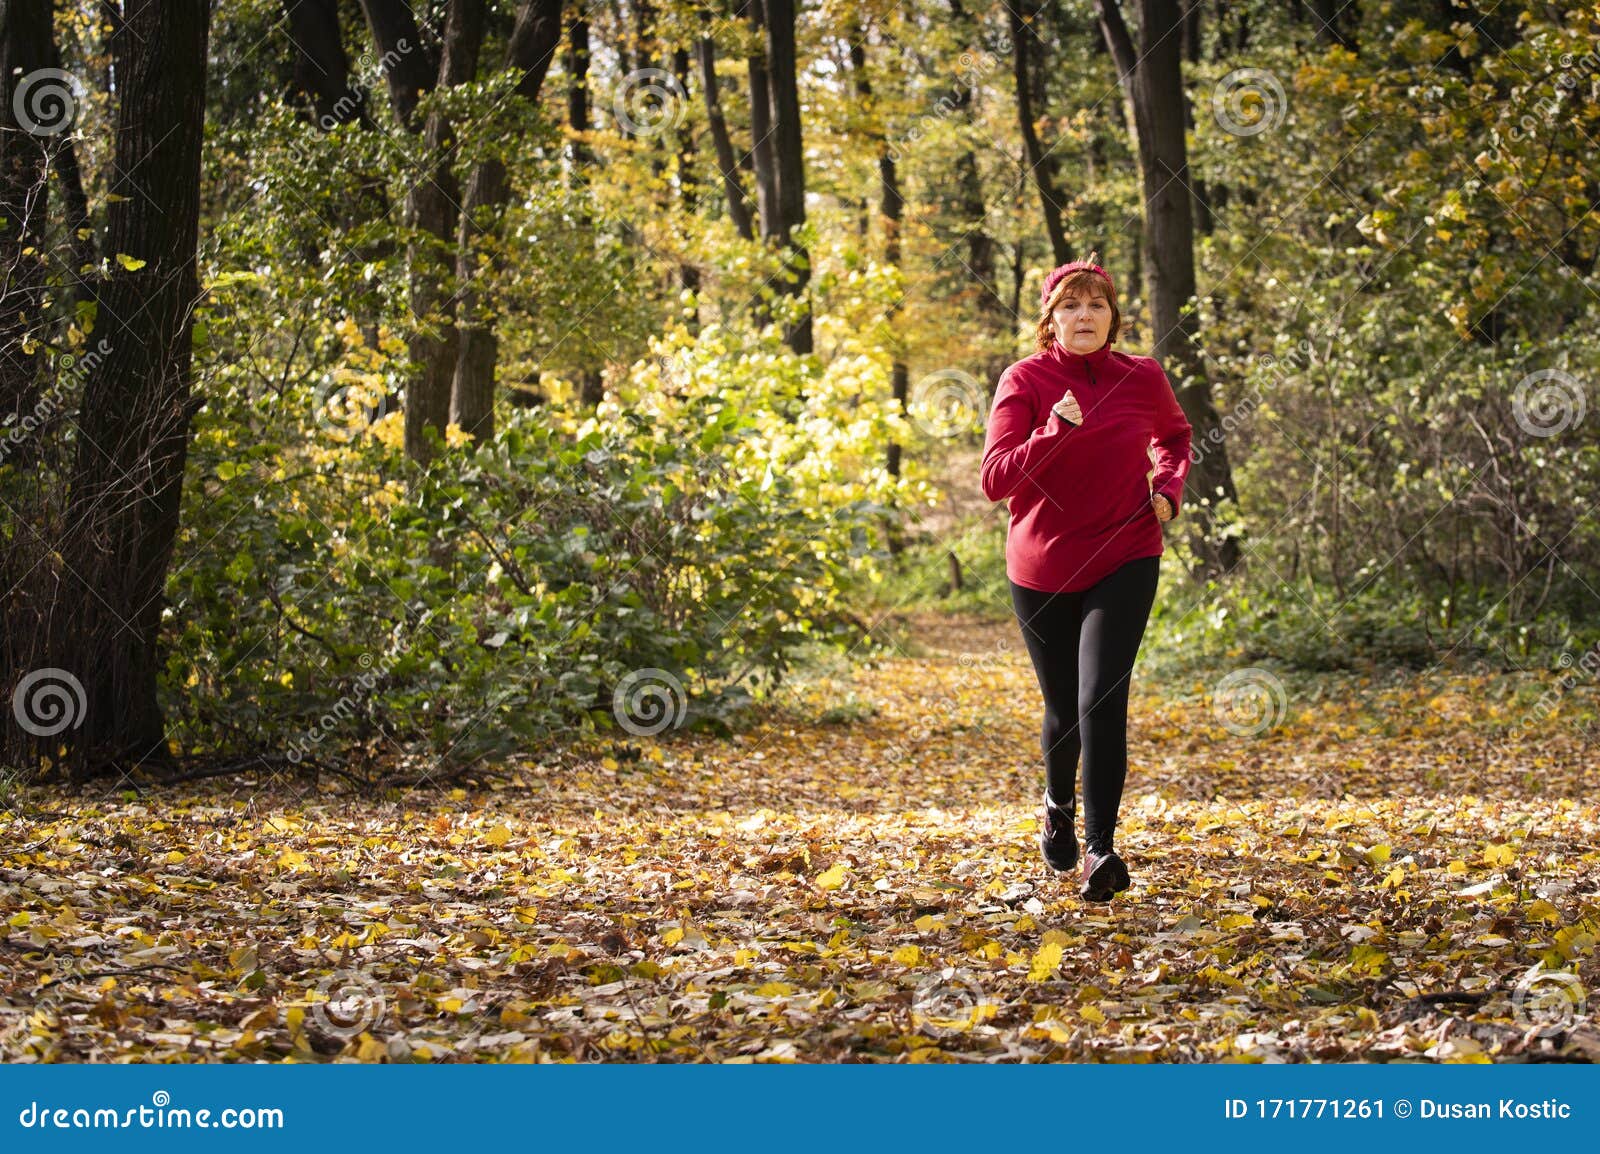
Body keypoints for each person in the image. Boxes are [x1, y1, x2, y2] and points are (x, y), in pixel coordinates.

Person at [979, 253, 1193, 901]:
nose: (1084, 315)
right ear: (1051, 319)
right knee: (1063, 709)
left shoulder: (1141, 376)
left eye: (1096, 305)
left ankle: (1101, 850)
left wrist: (1169, 488)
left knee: (1101, 696)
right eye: (1071, 305)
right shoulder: (1026, 380)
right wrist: (1053, 430)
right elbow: (995, 480)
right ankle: (1056, 806)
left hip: (1126, 551)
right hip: (1043, 565)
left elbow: (1176, 437)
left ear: (1113, 318)